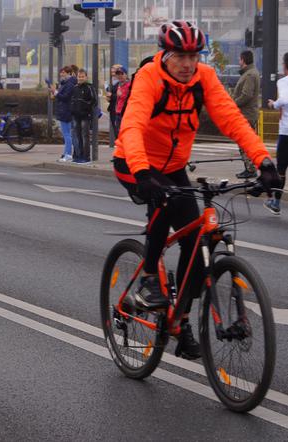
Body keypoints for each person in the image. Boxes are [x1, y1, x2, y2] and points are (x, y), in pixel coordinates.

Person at [113, 21, 280, 360]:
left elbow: (232, 119)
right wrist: (143, 173)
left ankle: (181, 323)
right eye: (180, 56)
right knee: (161, 201)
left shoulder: (204, 77)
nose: (188, 64)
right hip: (134, 163)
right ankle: (148, 278)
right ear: (165, 54)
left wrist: (264, 162)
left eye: (193, 55)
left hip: (173, 165)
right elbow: (132, 125)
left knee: (195, 242)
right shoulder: (149, 78)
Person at [265, 52, 288, 215]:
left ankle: (276, 202)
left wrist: (273, 104)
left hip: (286, 132)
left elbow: (284, 100)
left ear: (284, 65)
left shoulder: (283, 82)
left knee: (281, 169)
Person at [233, 50, 261, 179]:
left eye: (240, 60)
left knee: (245, 143)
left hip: (247, 114)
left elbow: (246, 95)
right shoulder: (250, 73)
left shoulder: (249, 75)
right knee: (245, 142)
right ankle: (249, 168)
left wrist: (233, 103)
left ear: (243, 60)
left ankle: (250, 169)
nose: (239, 62)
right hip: (248, 114)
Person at [71, 69, 97, 164]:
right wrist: (72, 110)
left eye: (82, 76)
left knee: (85, 136)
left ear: (86, 77)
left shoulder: (89, 87)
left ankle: (86, 157)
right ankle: (78, 155)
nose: (80, 78)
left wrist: (86, 108)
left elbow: (94, 101)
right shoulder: (75, 88)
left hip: (85, 115)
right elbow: (72, 100)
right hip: (75, 115)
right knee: (77, 136)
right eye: (79, 76)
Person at [52, 66, 77, 162]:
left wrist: (56, 93)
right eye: (61, 72)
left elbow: (65, 97)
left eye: (63, 72)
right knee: (67, 134)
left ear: (69, 73)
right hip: (65, 111)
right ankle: (66, 153)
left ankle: (68, 154)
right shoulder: (68, 83)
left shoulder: (69, 84)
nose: (61, 74)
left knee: (67, 134)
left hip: (66, 111)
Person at [106, 64, 123, 139]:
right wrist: (109, 98)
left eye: (115, 69)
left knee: (118, 127)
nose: (112, 70)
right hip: (113, 107)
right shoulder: (111, 82)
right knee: (114, 126)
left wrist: (112, 95)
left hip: (119, 108)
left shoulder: (122, 82)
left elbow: (122, 96)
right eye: (112, 68)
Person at [114, 67, 130, 132]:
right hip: (118, 112)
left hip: (125, 112)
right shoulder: (118, 85)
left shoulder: (129, 85)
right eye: (118, 74)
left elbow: (131, 96)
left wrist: (122, 95)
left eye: (121, 74)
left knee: (124, 132)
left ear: (126, 74)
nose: (120, 76)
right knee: (118, 132)